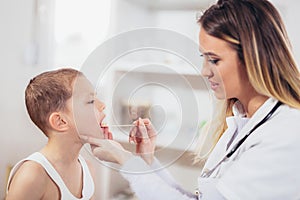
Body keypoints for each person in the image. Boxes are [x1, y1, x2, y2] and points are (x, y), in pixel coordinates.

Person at [81, 0, 300, 199]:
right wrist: (146, 160)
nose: (205, 71)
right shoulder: (242, 119)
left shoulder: (285, 133)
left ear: (254, 57)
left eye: (214, 60)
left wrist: (125, 160)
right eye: (203, 58)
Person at [6, 68, 111, 200]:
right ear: (60, 121)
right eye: (90, 101)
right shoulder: (33, 174)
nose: (103, 105)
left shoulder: (87, 169)